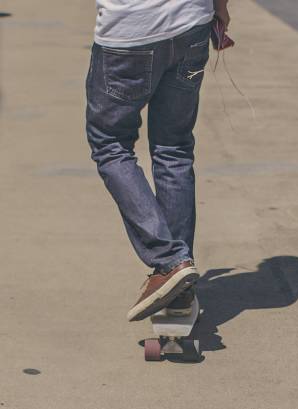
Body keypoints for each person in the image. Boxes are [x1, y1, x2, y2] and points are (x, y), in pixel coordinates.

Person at [85, 0, 230, 322]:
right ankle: (180, 286)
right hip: (191, 28)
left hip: (129, 36)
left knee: (111, 145)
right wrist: (220, 8)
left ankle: (170, 261)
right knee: (173, 149)